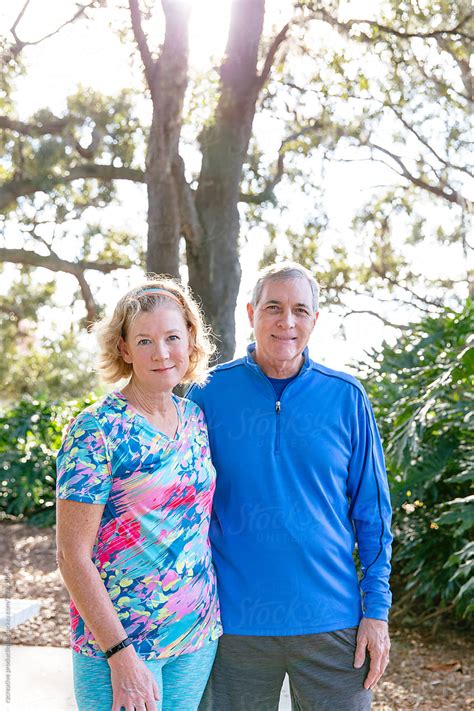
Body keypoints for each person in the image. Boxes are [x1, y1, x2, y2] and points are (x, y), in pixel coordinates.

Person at [188, 262, 393, 711]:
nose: (287, 321)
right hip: (233, 624)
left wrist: (376, 612)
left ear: (315, 320)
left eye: (300, 310)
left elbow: (374, 516)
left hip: (333, 623)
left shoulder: (346, 397)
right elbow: (181, 507)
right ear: (251, 313)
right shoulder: (206, 394)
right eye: (274, 308)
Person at [56, 278, 222, 711]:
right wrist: (121, 656)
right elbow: (72, 556)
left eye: (172, 337)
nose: (161, 352)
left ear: (190, 339)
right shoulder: (96, 429)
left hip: (195, 634)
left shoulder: (195, 419)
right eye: (145, 340)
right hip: (122, 645)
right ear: (124, 349)